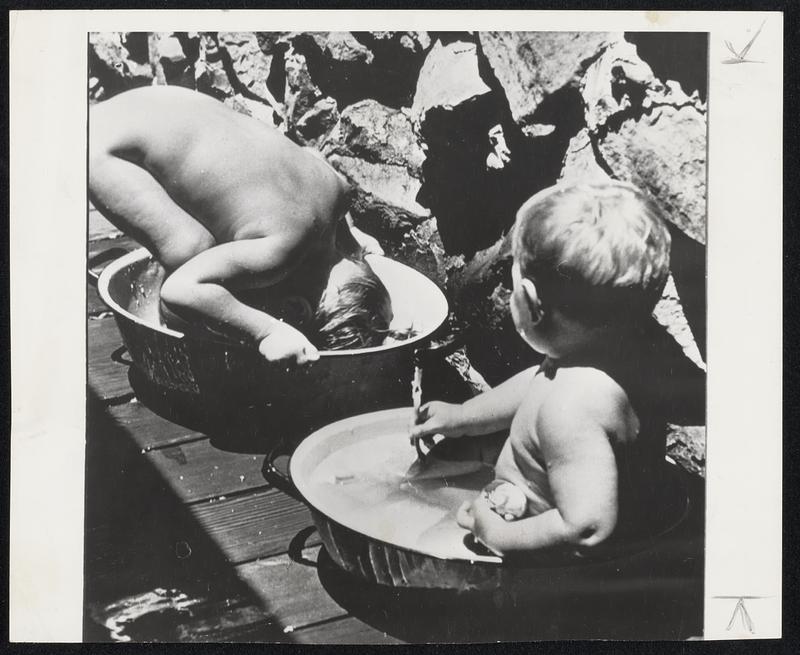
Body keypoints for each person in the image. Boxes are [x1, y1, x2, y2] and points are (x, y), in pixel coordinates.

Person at [411, 181, 680, 557]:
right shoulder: (603, 356)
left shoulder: (570, 412)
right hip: (541, 513)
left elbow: (586, 527)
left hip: (553, 567)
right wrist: (463, 416)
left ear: (530, 302)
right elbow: (536, 384)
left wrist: (494, 533)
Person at [89, 85, 391, 365]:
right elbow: (179, 289)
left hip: (154, 103)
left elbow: (312, 155)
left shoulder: (338, 194)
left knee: (219, 244)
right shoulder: (280, 255)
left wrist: (353, 239)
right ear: (297, 308)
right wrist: (267, 331)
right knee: (191, 253)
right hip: (99, 148)